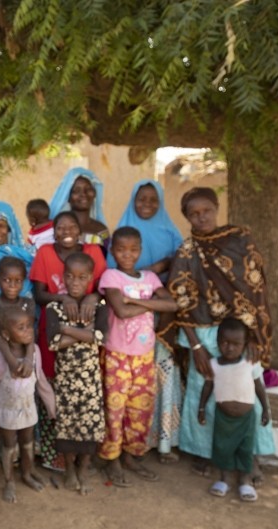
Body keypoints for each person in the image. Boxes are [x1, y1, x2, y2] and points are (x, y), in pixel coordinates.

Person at [167, 186, 276, 481]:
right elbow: (180, 303)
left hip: (241, 333)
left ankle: (249, 452)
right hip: (203, 334)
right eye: (194, 214)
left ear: (217, 208)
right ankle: (206, 452)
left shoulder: (241, 240)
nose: (201, 218)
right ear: (187, 218)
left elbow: (257, 290)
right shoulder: (188, 251)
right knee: (204, 393)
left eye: (206, 211)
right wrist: (196, 347)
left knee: (243, 392)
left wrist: (253, 337)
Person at [109, 180, 185, 464]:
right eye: (141, 199)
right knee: (120, 396)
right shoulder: (123, 230)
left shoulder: (169, 231)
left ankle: (158, 440)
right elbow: (112, 282)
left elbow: (180, 260)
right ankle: (117, 452)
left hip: (160, 319)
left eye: (154, 200)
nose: (147, 204)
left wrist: (156, 269)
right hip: (123, 333)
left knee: (154, 384)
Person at [97, 227, 177, 487]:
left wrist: (137, 302)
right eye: (121, 249)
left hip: (144, 356)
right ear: (113, 251)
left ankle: (132, 455)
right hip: (117, 354)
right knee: (115, 408)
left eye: (133, 249)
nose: (127, 254)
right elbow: (120, 311)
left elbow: (172, 305)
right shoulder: (111, 276)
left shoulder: (151, 278)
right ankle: (112, 459)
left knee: (140, 408)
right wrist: (146, 303)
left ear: (140, 250)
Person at [29, 211, 105, 471]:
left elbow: (100, 287)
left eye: (72, 226)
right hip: (51, 327)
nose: (66, 231)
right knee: (52, 393)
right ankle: (53, 455)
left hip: (83, 335)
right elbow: (39, 295)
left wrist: (93, 298)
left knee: (84, 399)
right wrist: (65, 299)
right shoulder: (45, 254)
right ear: (54, 231)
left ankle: (81, 456)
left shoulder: (93, 251)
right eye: (61, 227)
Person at [0, 307, 55, 504]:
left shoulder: (34, 352)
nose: (29, 330)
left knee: (28, 442)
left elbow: (42, 382)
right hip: (7, 412)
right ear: (6, 334)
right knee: (9, 445)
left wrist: (51, 407)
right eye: (21, 328)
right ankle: (9, 480)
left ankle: (27, 473)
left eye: (29, 326)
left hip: (28, 409)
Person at [46, 252, 105, 495]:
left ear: (91, 278)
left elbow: (100, 338)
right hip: (67, 380)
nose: (75, 282)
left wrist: (67, 329)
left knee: (90, 427)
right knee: (66, 426)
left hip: (91, 380)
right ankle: (69, 469)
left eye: (82, 277)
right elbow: (52, 343)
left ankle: (83, 470)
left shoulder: (98, 306)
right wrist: (85, 332)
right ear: (63, 277)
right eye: (70, 276)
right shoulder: (54, 306)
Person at [198, 317, 271, 502]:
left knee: (245, 448)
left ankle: (245, 482)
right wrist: (201, 408)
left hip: (247, 417)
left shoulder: (250, 363)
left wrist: (265, 409)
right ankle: (224, 479)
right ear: (217, 342)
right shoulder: (213, 365)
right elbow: (207, 387)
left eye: (236, 344)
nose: (229, 348)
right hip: (223, 416)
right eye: (224, 343)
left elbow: (259, 387)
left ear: (245, 344)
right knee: (223, 447)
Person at [48, 167, 109, 245]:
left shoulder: (101, 229)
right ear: (68, 197)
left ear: (94, 193)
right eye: (77, 190)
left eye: (88, 189)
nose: (83, 194)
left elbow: (107, 256)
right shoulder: (57, 229)